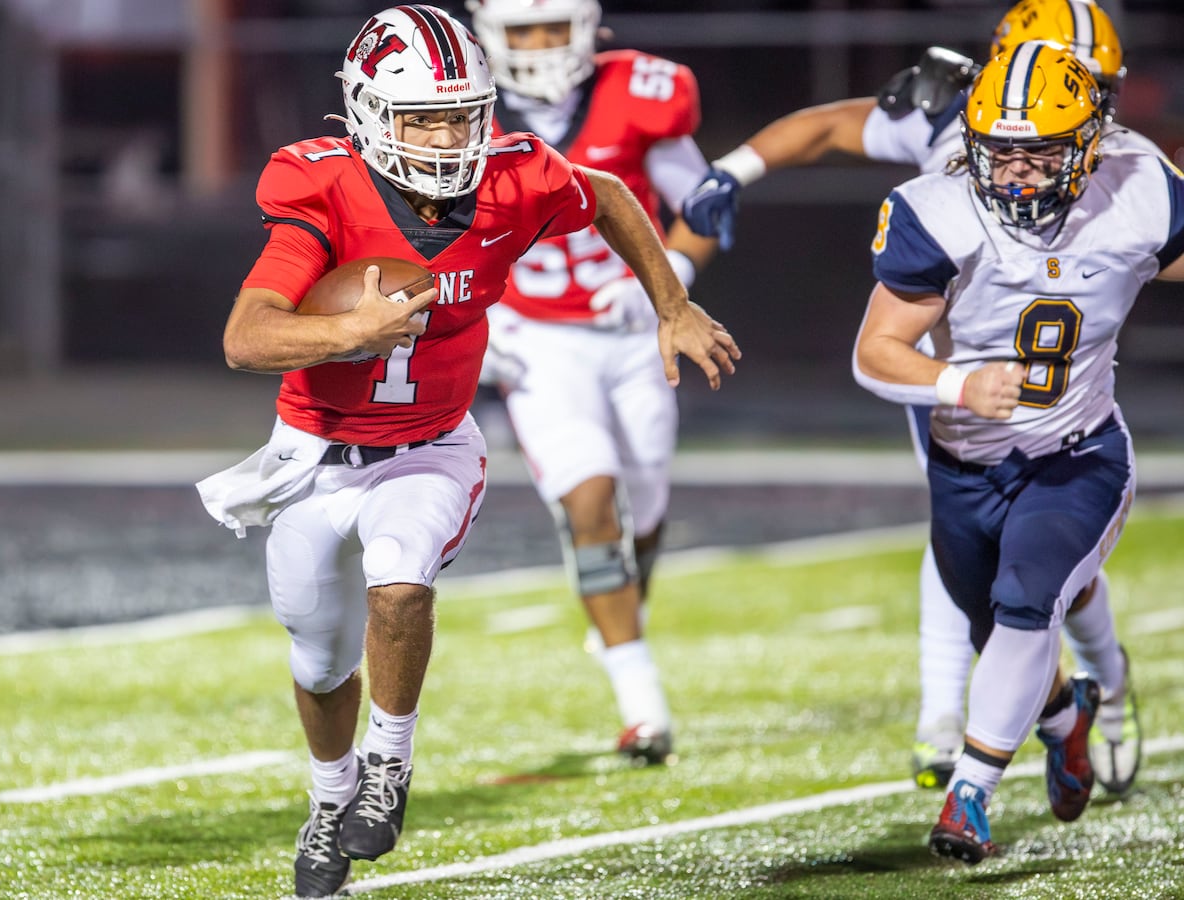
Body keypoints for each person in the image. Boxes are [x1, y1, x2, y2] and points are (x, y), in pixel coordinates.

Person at [195, 7, 739, 897]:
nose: (447, 136)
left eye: (460, 114)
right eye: (421, 118)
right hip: (312, 455)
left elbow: (604, 194)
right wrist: (346, 332)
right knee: (319, 661)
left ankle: (390, 761)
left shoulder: (513, 180)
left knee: (403, 578)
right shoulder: (322, 188)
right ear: (371, 114)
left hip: (432, 447)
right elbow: (245, 338)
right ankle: (330, 797)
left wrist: (671, 304)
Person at [683, 0, 1143, 794]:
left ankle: (1102, 684)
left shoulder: (1116, 164)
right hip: (944, 367)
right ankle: (950, 711)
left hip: (1057, 372)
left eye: (1087, 89)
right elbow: (829, 125)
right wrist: (732, 168)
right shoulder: (946, 107)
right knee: (969, 542)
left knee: (1052, 557)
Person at [852, 43, 1184, 862]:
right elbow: (874, 351)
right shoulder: (937, 209)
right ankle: (1068, 719)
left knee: (1026, 600)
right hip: (965, 465)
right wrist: (956, 385)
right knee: (993, 625)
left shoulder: (1138, 196)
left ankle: (971, 796)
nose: (1018, 172)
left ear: (1089, 142)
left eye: (1040, 151)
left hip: (1076, 454)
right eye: (1000, 151)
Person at [466, 0, 718, 764]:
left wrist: (667, 275)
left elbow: (706, 202)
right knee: (590, 498)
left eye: (552, 27)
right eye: (521, 31)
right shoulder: (455, 109)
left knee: (645, 502)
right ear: (488, 37)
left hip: (633, 331)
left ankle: (619, 616)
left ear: (585, 27)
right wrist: (466, 323)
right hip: (535, 336)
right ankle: (643, 705)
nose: (540, 46)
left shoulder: (640, 92)